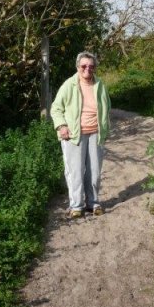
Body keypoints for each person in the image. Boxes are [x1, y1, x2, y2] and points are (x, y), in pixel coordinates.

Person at [51, 51, 111, 219]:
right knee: (75, 171)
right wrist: (61, 126)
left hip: (95, 134)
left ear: (95, 68)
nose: (87, 69)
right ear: (78, 67)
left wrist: (105, 128)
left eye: (91, 66)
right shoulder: (69, 85)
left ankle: (93, 203)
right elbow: (56, 108)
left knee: (94, 171)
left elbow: (107, 107)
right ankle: (76, 205)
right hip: (74, 136)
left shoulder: (100, 84)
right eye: (84, 66)